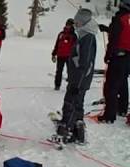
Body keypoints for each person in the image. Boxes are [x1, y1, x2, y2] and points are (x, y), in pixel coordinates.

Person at [52, 8, 98, 144]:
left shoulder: (88, 37)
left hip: (79, 80)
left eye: (77, 22)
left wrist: (77, 83)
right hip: (78, 78)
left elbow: (84, 62)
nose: (75, 24)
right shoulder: (84, 35)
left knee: (70, 103)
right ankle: (78, 130)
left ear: (83, 22)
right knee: (77, 104)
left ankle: (67, 130)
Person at [97, 0, 130, 123]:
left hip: (118, 56)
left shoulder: (119, 19)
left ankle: (109, 116)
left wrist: (108, 55)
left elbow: (114, 40)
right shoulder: (127, 19)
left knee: (111, 86)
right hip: (128, 58)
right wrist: (107, 29)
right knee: (123, 83)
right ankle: (122, 109)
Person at [52, 18, 77, 90]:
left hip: (69, 56)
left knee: (70, 72)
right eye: (68, 25)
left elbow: (76, 47)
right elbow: (57, 44)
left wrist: (75, 56)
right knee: (59, 71)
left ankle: (71, 85)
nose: (68, 26)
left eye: (70, 25)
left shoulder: (74, 35)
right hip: (60, 55)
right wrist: (54, 54)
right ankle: (57, 85)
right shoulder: (61, 34)